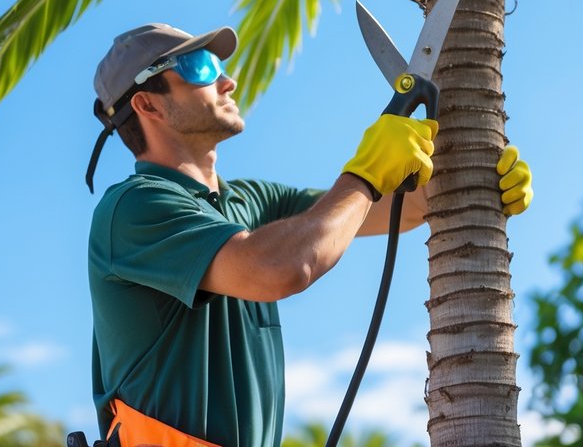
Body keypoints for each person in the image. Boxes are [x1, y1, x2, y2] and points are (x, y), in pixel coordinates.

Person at [83, 23, 533, 447]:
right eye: (200, 69)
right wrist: (368, 172)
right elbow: (282, 266)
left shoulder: (249, 203)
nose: (227, 81)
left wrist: (472, 179)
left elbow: (385, 211)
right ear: (147, 105)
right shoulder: (133, 208)